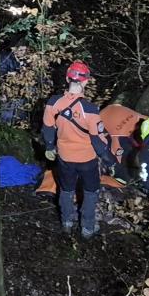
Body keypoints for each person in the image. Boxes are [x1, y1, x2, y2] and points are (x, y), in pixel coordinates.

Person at [41, 59, 113, 238]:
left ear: (67, 78)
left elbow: (47, 128)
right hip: (87, 160)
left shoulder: (53, 103)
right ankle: (87, 228)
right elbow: (98, 141)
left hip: (64, 157)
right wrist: (109, 159)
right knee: (91, 191)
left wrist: (49, 146)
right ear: (86, 81)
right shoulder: (90, 109)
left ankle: (66, 222)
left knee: (66, 190)